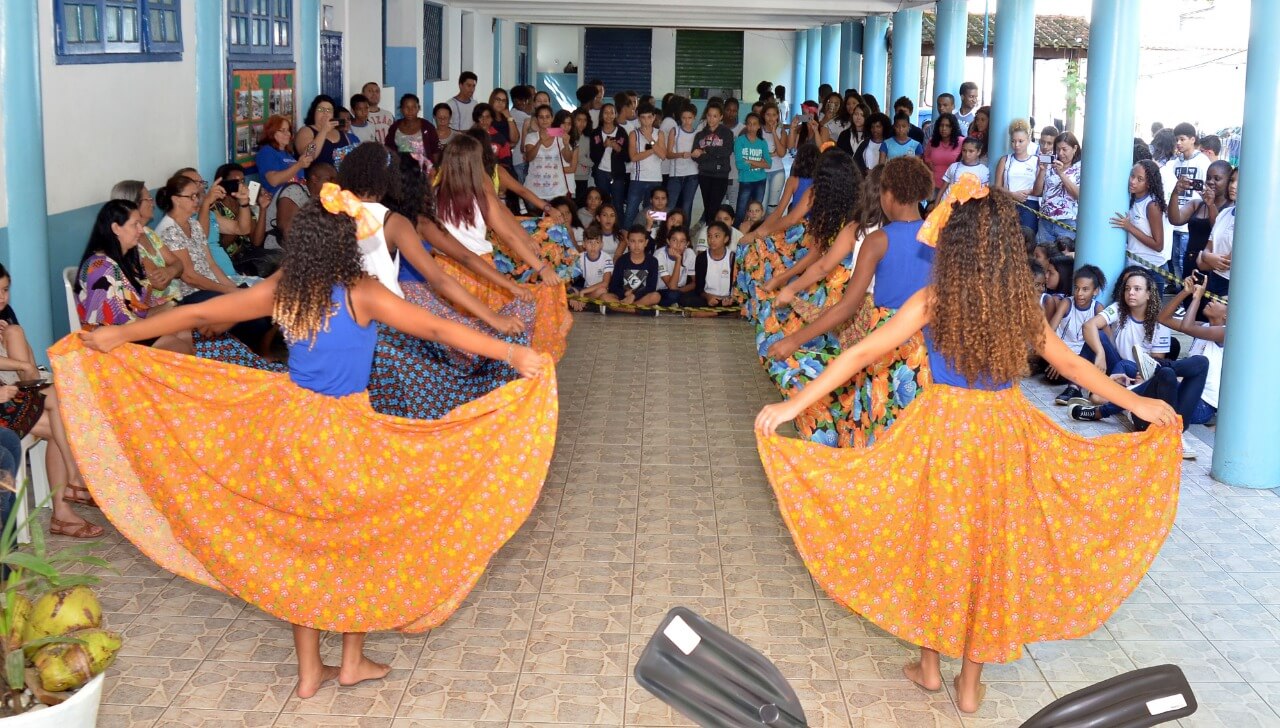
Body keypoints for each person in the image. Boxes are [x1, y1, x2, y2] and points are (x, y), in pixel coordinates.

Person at [66, 191, 552, 700]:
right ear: (347, 245)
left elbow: (196, 316)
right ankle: (350, 661)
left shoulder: (285, 293)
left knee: (306, 547)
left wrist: (121, 338)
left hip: (292, 430)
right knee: (355, 543)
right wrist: (511, 353)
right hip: (346, 434)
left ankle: (307, 673)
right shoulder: (362, 292)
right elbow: (435, 325)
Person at [753, 179, 1180, 715]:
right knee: (990, 550)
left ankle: (929, 666)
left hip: (945, 433)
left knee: (940, 544)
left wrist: (793, 406)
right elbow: (1071, 365)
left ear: (954, 243)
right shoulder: (1018, 302)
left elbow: (860, 353)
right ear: (1006, 245)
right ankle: (969, 685)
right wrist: (1137, 404)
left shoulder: (936, 298)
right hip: (1004, 435)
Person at [0, 265, 105, 538]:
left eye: (5, 290)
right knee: (64, 410)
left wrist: (19, 344)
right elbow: (24, 371)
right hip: (5, 405)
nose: (2, 297)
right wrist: (20, 361)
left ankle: (65, 505)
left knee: (64, 413)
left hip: (18, 397)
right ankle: (71, 488)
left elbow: (29, 374)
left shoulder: (6, 321)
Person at [75, 200, 172, 328]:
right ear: (116, 228)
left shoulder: (129, 258)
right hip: (117, 340)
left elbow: (143, 309)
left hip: (136, 328)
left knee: (188, 329)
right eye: (135, 224)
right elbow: (109, 326)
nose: (141, 229)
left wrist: (171, 308)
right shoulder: (100, 269)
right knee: (183, 336)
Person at [108, 180, 184, 306]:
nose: (152, 203)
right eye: (148, 199)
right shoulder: (129, 244)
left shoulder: (148, 232)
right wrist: (172, 270)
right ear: (134, 204)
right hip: (158, 307)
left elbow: (179, 264)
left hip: (177, 299)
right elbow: (160, 283)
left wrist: (170, 271)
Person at [1169, 160, 1231, 307]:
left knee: (1207, 314)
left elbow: (1217, 229)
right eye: (1208, 178)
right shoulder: (1197, 204)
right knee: (1189, 310)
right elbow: (1175, 219)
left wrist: (1211, 205)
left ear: (1228, 181)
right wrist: (1176, 192)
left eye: (1217, 178)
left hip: (1211, 269)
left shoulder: (1230, 210)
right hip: (1190, 266)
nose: (1211, 182)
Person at [263, 163, 336, 251]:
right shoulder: (294, 191)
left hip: (301, 253)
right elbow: (287, 231)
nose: (334, 185)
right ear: (315, 179)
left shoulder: (320, 200)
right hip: (278, 252)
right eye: (330, 180)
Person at [1111, 160, 1167, 269]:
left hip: (1152, 267)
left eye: (1139, 179)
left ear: (1149, 183)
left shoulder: (1152, 205)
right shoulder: (1130, 199)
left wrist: (1129, 227)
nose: (1133, 181)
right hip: (1133, 264)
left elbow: (1158, 245)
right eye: (1132, 176)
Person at [992, 119, 1045, 233]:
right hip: (1008, 203)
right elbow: (996, 187)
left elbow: (1040, 190)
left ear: (1028, 140)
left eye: (1021, 141)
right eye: (1013, 141)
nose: (1016, 145)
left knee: (1027, 240)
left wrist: (1027, 192)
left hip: (1030, 204)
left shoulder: (1036, 161)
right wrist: (1012, 194)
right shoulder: (1005, 160)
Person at [1034, 132, 1082, 246]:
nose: (1060, 153)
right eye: (1058, 149)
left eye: (1064, 149)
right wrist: (1042, 170)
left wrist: (1061, 173)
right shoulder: (1050, 164)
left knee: (1063, 259)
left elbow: (1078, 195)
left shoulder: (1080, 167)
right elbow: (1037, 192)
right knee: (1042, 256)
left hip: (1067, 221)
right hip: (1045, 219)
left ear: (1075, 148)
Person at [1196, 165, 1236, 302]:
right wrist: (1207, 256)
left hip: (1231, 285)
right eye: (1232, 180)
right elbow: (1208, 246)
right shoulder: (1225, 213)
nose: (1233, 185)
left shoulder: (1250, 221)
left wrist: (1205, 258)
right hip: (1213, 279)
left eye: (1239, 181)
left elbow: (1227, 262)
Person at [624, 103, 668, 227]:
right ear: (639, 118)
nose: (646, 121)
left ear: (654, 117)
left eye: (649, 117)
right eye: (643, 117)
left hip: (655, 179)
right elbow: (634, 157)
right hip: (638, 178)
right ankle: (626, 241)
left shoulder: (660, 133)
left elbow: (663, 155)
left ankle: (649, 237)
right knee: (630, 211)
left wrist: (650, 140)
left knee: (654, 213)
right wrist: (653, 149)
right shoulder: (634, 134)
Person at [693, 103, 736, 226]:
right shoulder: (700, 135)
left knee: (714, 206)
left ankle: (714, 232)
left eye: (715, 116)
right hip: (704, 174)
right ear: (706, 116)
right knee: (707, 206)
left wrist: (707, 150)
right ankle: (710, 233)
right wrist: (709, 153)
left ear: (721, 117)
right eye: (709, 115)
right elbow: (696, 156)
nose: (711, 119)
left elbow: (726, 151)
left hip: (720, 175)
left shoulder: (727, 133)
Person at [603, 226, 661, 311]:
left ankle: (620, 309)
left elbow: (651, 287)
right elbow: (613, 286)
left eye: (640, 241)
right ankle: (636, 310)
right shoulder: (621, 260)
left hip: (641, 297)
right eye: (633, 241)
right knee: (604, 296)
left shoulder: (653, 261)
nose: (636, 245)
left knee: (656, 296)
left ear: (646, 242)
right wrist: (625, 293)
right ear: (628, 242)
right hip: (623, 297)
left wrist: (634, 295)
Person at [524, 104, 574, 201]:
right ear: (537, 119)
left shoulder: (560, 134)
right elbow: (529, 157)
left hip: (557, 191)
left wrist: (566, 144)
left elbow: (568, 159)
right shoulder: (531, 137)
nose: (544, 120)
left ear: (552, 118)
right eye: (541, 117)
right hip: (534, 191)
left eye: (547, 117)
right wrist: (539, 142)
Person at [256, 115, 317, 195]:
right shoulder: (267, 151)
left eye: (288, 130)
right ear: (272, 132)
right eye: (282, 130)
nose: (287, 134)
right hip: (281, 202)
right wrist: (299, 165)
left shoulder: (288, 154)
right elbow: (274, 180)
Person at [294, 95, 359, 168]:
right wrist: (323, 131)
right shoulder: (306, 131)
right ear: (314, 112)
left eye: (329, 110)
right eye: (321, 110)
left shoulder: (342, 134)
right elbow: (308, 155)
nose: (325, 113)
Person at [590, 103, 629, 214]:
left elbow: (627, 157)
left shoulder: (621, 132)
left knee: (618, 204)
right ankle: (602, 228)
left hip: (617, 174)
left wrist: (618, 148)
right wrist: (604, 146)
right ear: (601, 115)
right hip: (601, 173)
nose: (609, 115)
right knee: (603, 204)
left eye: (612, 112)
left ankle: (619, 229)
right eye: (606, 112)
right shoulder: (596, 133)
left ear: (615, 114)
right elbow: (593, 156)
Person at [733, 113, 771, 225]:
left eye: (754, 124)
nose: (751, 126)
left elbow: (768, 164)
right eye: (749, 124)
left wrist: (749, 161)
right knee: (741, 211)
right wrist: (760, 163)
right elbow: (740, 165)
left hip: (760, 181)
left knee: (756, 212)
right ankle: (736, 234)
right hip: (745, 180)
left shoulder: (762, 142)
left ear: (759, 126)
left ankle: (753, 236)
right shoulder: (740, 141)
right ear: (746, 125)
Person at [385, 94, 440, 168]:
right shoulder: (394, 128)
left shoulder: (427, 127)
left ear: (418, 108)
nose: (410, 111)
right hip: (401, 172)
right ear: (401, 109)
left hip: (424, 173)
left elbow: (435, 150)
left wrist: (435, 169)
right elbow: (389, 150)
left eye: (414, 107)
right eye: (406, 107)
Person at [665, 102, 700, 221]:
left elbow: (703, 153)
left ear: (694, 117)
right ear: (680, 117)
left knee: (687, 206)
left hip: (692, 175)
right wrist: (681, 154)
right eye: (684, 118)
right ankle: (665, 231)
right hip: (676, 175)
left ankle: (685, 233)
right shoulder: (675, 131)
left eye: (690, 118)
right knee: (670, 206)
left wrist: (698, 154)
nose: (687, 121)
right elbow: (668, 154)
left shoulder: (698, 134)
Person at [569, 223, 613, 310]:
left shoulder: (607, 258)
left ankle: (583, 303)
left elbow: (605, 283)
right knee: (570, 291)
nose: (593, 246)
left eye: (597, 242)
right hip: (583, 289)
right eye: (589, 242)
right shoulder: (579, 258)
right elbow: (569, 280)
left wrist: (583, 292)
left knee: (602, 291)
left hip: (595, 290)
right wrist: (574, 294)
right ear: (584, 244)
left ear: (601, 244)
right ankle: (584, 303)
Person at [654, 225, 698, 307]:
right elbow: (672, 287)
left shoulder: (689, 253)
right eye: (674, 240)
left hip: (680, 289)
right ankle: (673, 302)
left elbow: (696, 282)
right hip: (663, 290)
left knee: (697, 293)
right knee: (673, 295)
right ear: (668, 241)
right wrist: (678, 259)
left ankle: (676, 302)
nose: (678, 245)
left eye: (682, 241)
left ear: (687, 243)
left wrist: (680, 290)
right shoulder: (660, 255)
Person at [922, 112, 963, 197]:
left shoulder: (962, 142)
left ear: (953, 127)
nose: (944, 128)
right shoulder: (932, 141)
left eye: (948, 126)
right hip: (934, 185)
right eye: (941, 125)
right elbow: (926, 158)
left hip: (954, 186)